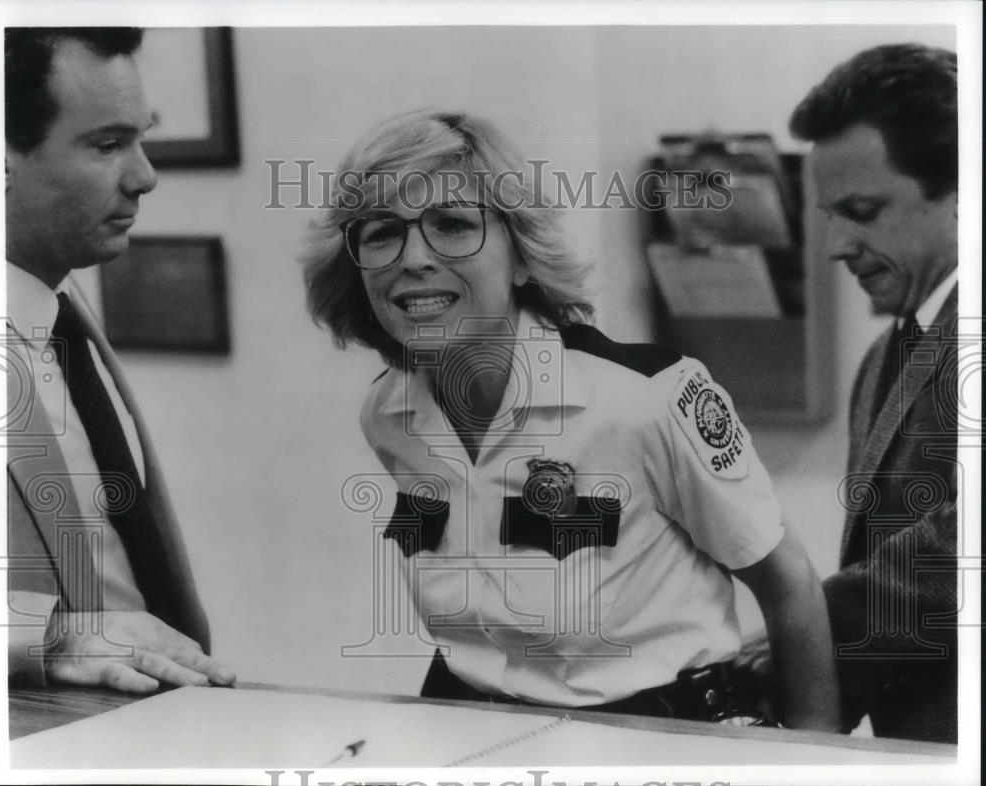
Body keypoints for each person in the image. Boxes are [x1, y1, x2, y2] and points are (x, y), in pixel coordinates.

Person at [303, 109, 840, 730]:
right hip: (470, 725)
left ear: (523, 258)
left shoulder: (648, 398)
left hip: (657, 736)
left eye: (452, 225)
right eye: (381, 233)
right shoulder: (387, 414)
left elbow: (789, 586)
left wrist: (815, 759)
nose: (414, 257)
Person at [5, 27, 235, 694]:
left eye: (143, 137)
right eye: (107, 145)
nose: (146, 175)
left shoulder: (59, 307)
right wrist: (54, 636)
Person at [742, 43, 960, 743]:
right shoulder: (882, 356)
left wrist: (802, 628)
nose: (836, 245)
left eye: (862, 210)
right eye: (828, 214)